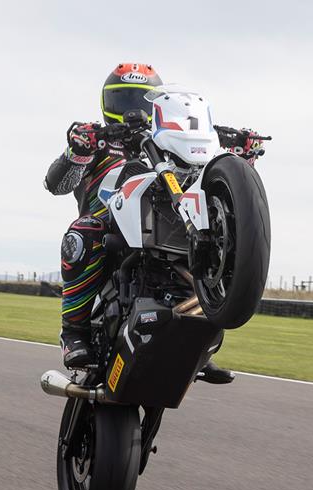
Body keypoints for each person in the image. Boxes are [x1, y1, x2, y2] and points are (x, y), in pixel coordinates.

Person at [44, 63, 263, 383]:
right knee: (83, 234)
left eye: (141, 100)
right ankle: (73, 332)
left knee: (209, 240)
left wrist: (241, 154)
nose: (132, 108)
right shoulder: (98, 141)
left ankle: (201, 343)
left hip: (167, 226)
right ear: (108, 105)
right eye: (124, 101)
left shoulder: (169, 143)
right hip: (110, 222)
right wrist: (77, 150)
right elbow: (57, 184)